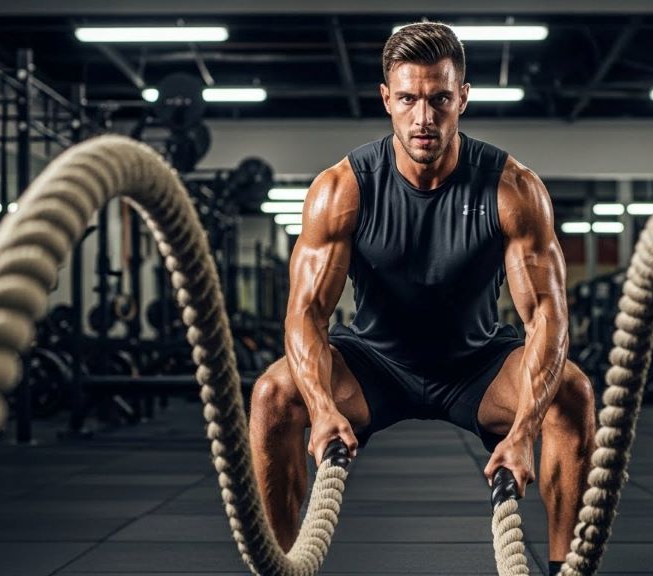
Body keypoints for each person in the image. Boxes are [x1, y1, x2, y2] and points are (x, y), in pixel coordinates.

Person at [248, 22, 596, 576]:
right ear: (387, 99)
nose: (424, 117)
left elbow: (548, 318)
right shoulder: (342, 189)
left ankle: (566, 571)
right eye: (408, 99)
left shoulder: (512, 188)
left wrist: (524, 431)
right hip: (375, 363)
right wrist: (319, 410)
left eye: (439, 99)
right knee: (273, 395)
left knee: (571, 396)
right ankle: (283, 568)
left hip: (475, 362)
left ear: (462, 96)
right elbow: (306, 315)